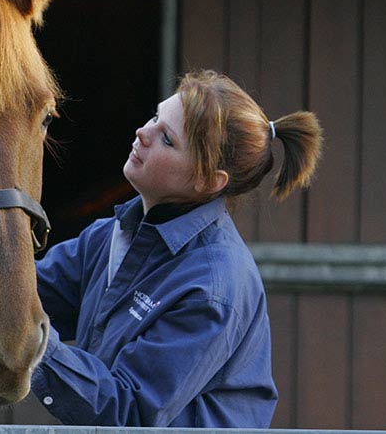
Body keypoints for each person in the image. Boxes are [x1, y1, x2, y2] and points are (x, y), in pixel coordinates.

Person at [31, 69, 323, 427]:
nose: (143, 132)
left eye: (167, 139)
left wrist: (30, 342)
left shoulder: (211, 289)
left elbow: (129, 411)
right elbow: (22, 294)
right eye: (155, 116)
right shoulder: (110, 237)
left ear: (208, 180)